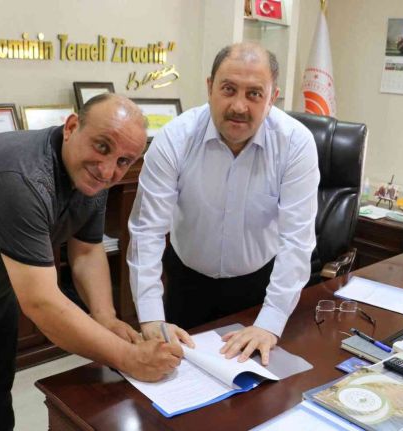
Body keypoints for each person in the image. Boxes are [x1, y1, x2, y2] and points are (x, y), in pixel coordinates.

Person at [0, 93, 182, 431]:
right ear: (71, 127)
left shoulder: (94, 176)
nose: (107, 170)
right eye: (102, 147)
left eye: (124, 161)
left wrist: (105, 316)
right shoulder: (20, 178)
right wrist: (128, 357)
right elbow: (42, 302)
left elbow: (87, 250)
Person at [128, 43, 319, 366]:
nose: (239, 106)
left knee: (254, 384)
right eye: (228, 89)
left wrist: (270, 323)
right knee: (180, 375)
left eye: (254, 94)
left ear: (273, 97)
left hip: (259, 286)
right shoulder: (175, 138)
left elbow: (296, 241)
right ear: (209, 88)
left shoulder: (295, 144)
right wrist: (151, 318)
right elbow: (147, 232)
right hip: (187, 282)